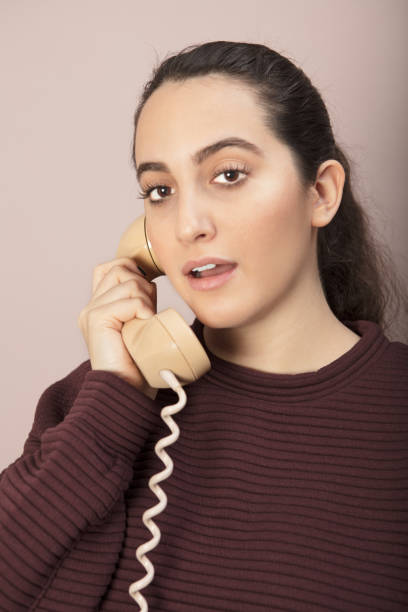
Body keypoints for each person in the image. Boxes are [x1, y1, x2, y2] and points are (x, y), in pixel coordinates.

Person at [1, 40, 407, 612]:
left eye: (229, 174)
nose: (187, 224)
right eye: (160, 191)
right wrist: (113, 404)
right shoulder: (101, 403)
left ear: (320, 193)